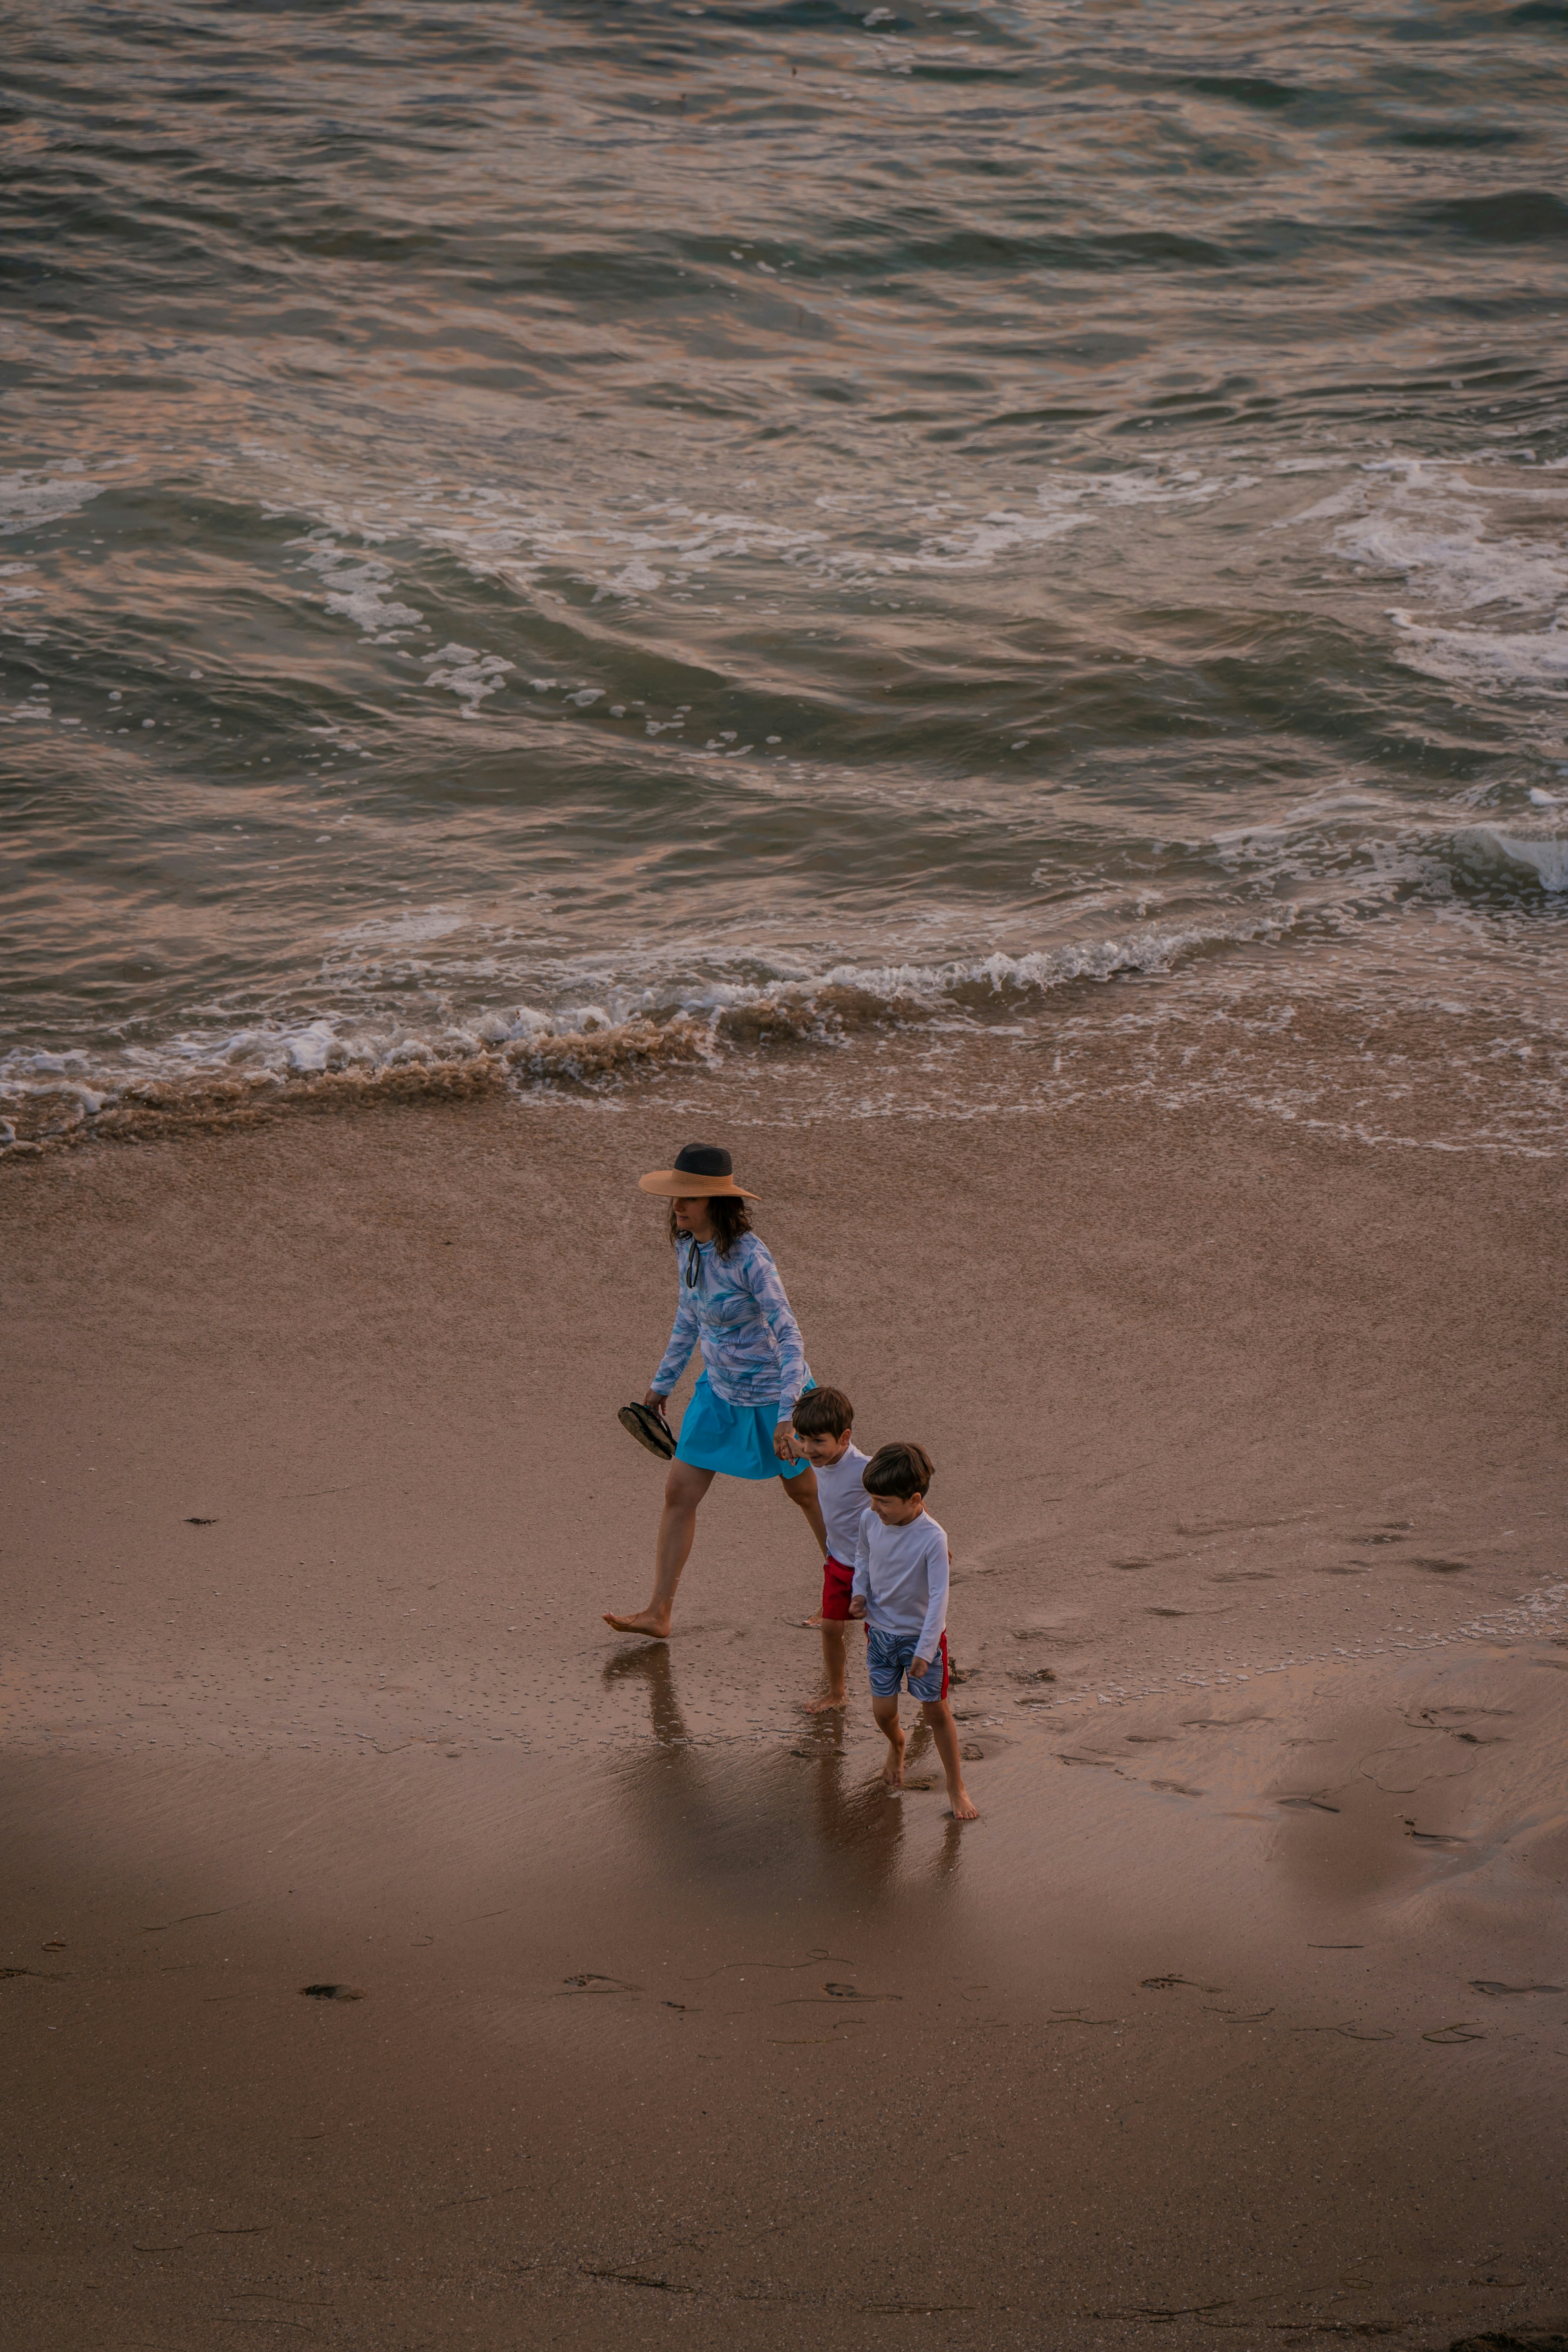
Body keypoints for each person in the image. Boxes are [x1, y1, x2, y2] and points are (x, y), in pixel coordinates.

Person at [604, 1142, 828, 1640]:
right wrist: (660, 1387)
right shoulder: (689, 1248)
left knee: (806, 1493)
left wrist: (790, 1415)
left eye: (690, 1198)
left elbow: (790, 1335)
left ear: (716, 1202)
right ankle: (659, 1612)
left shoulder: (752, 1258)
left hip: (775, 1396)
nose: (677, 1206)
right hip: (718, 1393)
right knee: (679, 1490)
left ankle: (849, 1597)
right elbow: (689, 1319)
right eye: (676, 1197)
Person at [849, 1442, 978, 1821]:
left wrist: (925, 1650)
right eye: (872, 1498)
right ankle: (898, 1744)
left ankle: (957, 1786)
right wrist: (860, 1593)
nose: (874, 1507)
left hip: (922, 1640)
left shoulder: (933, 1538)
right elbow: (863, 1556)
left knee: (937, 1713)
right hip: (880, 1635)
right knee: (883, 1713)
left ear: (915, 1499)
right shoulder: (871, 1519)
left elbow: (939, 1597)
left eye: (884, 1501)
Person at [790, 1385, 869, 1713]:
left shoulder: (864, 1468)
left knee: (885, 1631)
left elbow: (906, 1492)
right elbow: (797, 1446)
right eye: (804, 1439)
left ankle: (930, 1661)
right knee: (831, 1628)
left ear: (845, 1437)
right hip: (838, 1564)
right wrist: (791, 1445)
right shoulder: (813, 1453)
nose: (810, 1450)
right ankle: (837, 1692)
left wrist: (931, 1536)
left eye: (818, 1441)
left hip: (873, 1567)